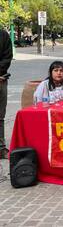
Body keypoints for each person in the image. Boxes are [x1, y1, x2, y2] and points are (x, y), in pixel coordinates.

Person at [0, 29, 12, 159]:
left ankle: (1, 148)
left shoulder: (3, 35)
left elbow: (7, 57)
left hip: (1, 79)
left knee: (0, 116)